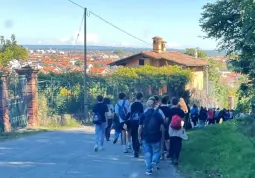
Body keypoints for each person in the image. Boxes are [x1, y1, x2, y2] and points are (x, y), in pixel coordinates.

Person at [138, 99, 165, 175]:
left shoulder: (143, 115)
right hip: (156, 136)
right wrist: (162, 136)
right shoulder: (158, 115)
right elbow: (162, 127)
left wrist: (139, 136)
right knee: (156, 151)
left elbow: (140, 128)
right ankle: (154, 161)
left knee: (147, 153)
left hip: (145, 137)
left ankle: (149, 169)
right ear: (154, 105)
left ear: (147, 105)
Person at [168, 97, 185, 165]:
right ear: (177, 103)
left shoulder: (169, 111)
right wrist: (182, 126)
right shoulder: (180, 111)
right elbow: (183, 120)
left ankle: (171, 156)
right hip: (179, 128)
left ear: (172, 103)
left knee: (172, 142)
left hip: (171, 128)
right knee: (178, 143)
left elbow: (167, 120)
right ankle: (176, 158)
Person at [130, 93, 144, 158]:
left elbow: (130, 113)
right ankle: (137, 147)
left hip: (133, 121)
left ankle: (135, 149)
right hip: (139, 121)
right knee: (139, 134)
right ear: (141, 97)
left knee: (133, 135)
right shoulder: (141, 105)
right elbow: (143, 114)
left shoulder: (132, 105)